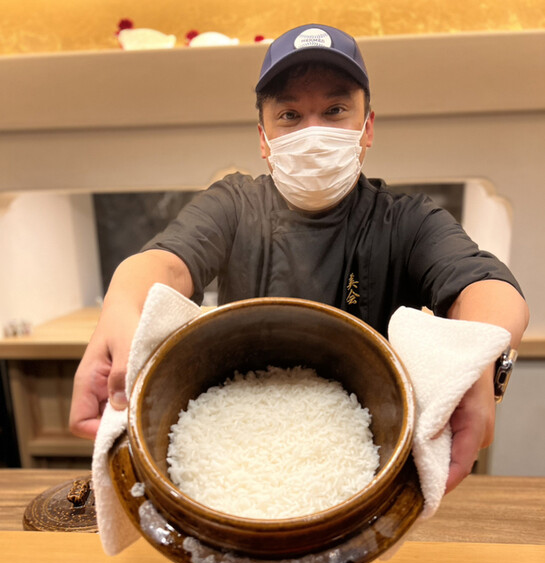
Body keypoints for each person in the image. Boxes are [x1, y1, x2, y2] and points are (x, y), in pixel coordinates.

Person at [69, 24, 529, 493]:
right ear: (264, 138)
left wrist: (477, 355)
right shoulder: (234, 205)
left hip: (364, 459)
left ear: (367, 127)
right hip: (236, 451)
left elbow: (486, 286)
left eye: (335, 111)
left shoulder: (406, 221)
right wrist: (121, 304)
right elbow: (165, 263)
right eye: (290, 115)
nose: (313, 133)